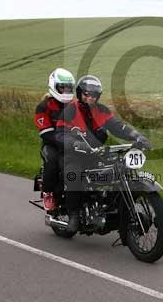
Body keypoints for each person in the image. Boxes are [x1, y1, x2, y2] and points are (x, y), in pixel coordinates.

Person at [52, 74, 152, 232]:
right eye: (87, 94)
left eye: (94, 95)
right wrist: (74, 143)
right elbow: (59, 133)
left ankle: (112, 209)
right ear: (80, 94)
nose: (91, 98)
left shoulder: (102, 110)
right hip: (73, 154)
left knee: (118, 171)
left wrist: (136, 136)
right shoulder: (70, 109)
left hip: (95, 153)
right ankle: (73, 216)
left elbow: (117, 126)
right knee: (74, 175)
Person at [33, 68, 76, 212]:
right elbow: (46, 133)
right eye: (62, 87)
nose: (65, 91)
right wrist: (64, 142)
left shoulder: (74, 106)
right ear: (54, 86)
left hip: (72, 144)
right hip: (52, 145)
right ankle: (48, 193)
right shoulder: (44, 106)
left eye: (68, 88)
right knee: (52, 161)